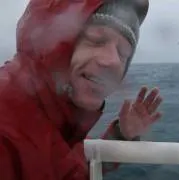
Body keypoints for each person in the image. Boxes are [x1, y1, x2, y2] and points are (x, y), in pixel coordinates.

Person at [0, 0, 162, 179]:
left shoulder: (55, 121)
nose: (113, 61)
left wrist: (121, 135)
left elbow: (68, 171)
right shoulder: (6, 130)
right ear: (52, 42)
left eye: (123, 54)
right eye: (96, 40)